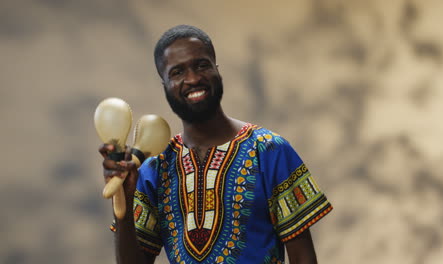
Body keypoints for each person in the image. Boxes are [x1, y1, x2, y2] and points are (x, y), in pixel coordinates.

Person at [99, 25, 333, 264]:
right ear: (165, 86)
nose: (192, 78)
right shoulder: (154, 169)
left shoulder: (270, 150)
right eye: (177, 72)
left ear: (217, 70)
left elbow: (303, 258)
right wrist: (124, 205)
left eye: (201, 65)